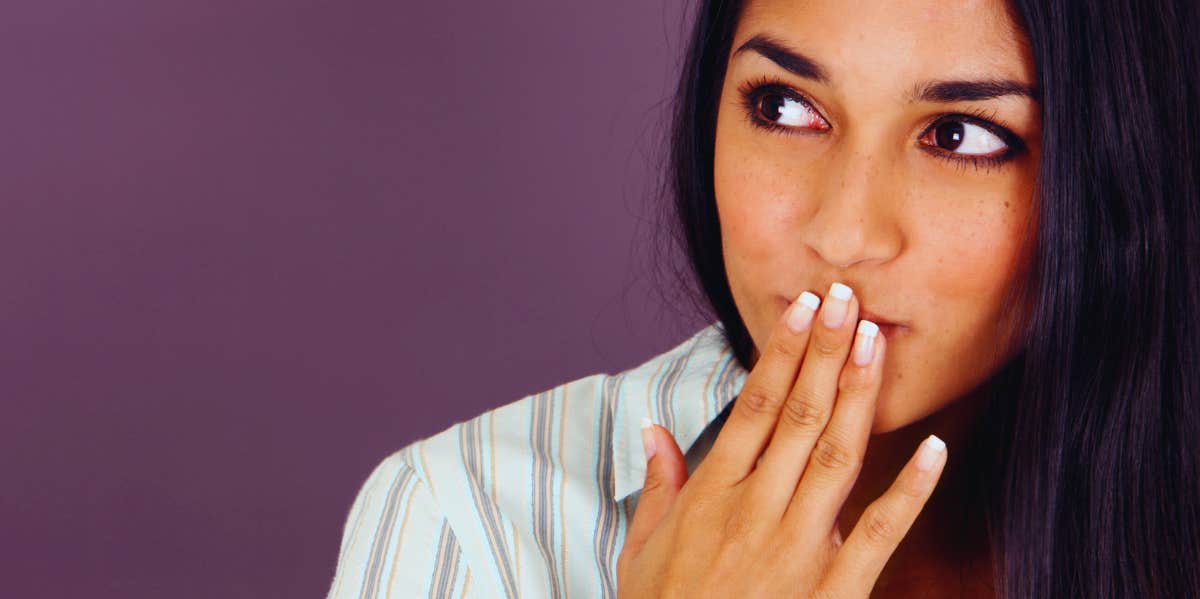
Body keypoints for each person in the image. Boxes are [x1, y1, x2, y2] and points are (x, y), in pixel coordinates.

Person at [326, 0, 1200, 596]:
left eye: (959, 135)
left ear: (1117, 164)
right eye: (785, 106)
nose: (846, 232)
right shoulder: (473, 520)